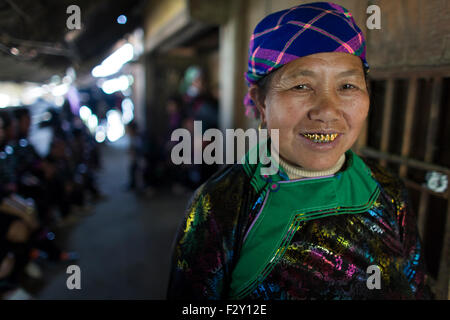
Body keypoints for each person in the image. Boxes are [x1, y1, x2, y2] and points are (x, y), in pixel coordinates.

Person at [167, 2, 431, 300]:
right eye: (302, 86)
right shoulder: (221, 206)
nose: (328, 111)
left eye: (347, 86)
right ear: (261, 103)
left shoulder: (387, 191)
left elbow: (418, 289)